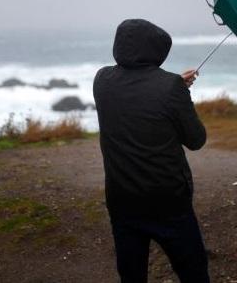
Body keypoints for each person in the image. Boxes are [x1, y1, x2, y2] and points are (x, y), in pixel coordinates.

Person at [93, 18, 210, 283]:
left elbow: (138, 93)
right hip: (167, 200)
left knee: (132, 275)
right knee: (193, 271)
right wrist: (180, 92)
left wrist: (175, 87)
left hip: (121, 198)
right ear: (158, 51)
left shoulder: (102, 80)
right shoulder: (170, 87)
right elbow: (196, 139)